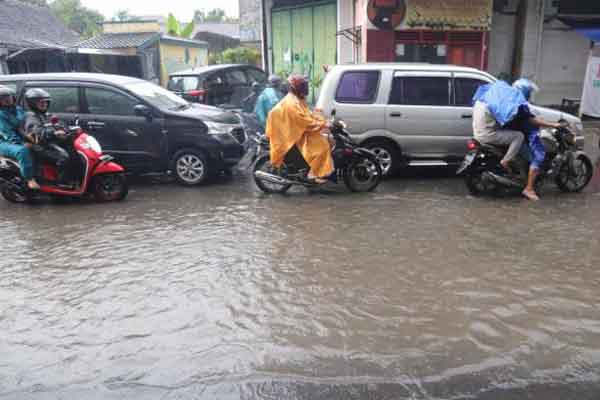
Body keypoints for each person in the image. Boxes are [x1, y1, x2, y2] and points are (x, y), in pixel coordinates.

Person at [265, 74, 334, 184]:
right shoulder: (293, 103)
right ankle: (313, 174)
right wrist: (324, 124)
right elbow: (306, 122)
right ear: (295, 87)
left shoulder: (297, 99)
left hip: (296, 130)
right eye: (303, 85)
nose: (306, 88)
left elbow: (308, 114)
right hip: (292, 133)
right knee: (322, 147)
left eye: (305, 85)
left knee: (324, 139)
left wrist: (321, 117)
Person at [509, 78, 564, 201]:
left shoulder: (513, 102)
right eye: (528, 92)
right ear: (524, 92)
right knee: (538, 157)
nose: (529, 95)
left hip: (519, 134)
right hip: (525, 136)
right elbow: (532, 120)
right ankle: (528, 188)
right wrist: (554, 125)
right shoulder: (520, 105)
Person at [24, 88, 70, 182]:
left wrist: (66, 129)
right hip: (38, 146)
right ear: (32, 103)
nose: (44, 104)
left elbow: (59, 124)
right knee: (63, 156)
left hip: (49, 143)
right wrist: (53, 133)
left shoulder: (47, 115)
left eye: (46, 102)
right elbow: (36, 133)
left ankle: (72, 176)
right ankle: (58, 182)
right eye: (41, 102)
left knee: (72, 150)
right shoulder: (31, 117)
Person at [0, 85, 39, 190]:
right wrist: (22, 143)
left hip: (21, 137)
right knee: (22, 151)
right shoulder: (1, 114)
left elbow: (26, 123)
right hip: (5, 142)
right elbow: (7, 133)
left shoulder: (18, 109)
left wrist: (33, 132)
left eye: (9, 96)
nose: (7, 99)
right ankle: (29, 179)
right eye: (3, 98)